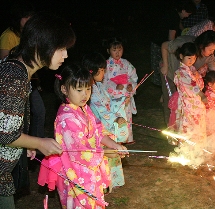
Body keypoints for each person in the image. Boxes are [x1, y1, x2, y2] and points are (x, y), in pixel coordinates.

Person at [0, 12, 74, 208]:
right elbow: (5, 134)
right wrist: (39, 142)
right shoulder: (14, 77)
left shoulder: (16, 70)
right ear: (41, 45)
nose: (65, 55)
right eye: (61, 49)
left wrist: (25, 145)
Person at [39, 64, 128, 209]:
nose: (85, 94)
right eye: (79, 90)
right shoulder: (66, 118)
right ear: (64, 89)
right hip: (76, 176)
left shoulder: (84, 109)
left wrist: (113, 145)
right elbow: (79, 151)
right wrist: (106, 153)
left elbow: (98, 131)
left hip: (89, 174)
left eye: (88, 89)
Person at [160, 30, 215, 125]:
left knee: (181, 104)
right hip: (170, 72)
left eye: (214, 50)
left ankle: (181, 127)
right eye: (211, 49)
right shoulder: (185, 44)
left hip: (185, 79)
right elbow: (164, 46)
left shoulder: (208, 58)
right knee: (171, 103)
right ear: (202, 45)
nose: (212, 52)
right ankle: (170, 130)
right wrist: (165, 65)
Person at [82, 52, 126, 190]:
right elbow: (100, 110)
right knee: (106, 154)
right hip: (100, 127)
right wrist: (115, 118)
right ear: (92, 70)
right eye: (101, 70)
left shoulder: (99, 86)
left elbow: (108, 102)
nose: (103, 73)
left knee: (112, 151)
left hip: (105, 125)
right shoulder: (90, 90)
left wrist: (120, 101)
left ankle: (112, 182)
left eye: (104, 70)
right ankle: (106, 184)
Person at [151, 0, 196, 86]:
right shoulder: (174, 18)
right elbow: (171, 38)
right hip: (159, 42)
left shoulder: (174, 12)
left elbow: (179, 24)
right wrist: (174, 49)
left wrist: (183, 30)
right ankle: (160, 83)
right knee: (160, 63)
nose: (187, 16)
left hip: (158, 40)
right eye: (188, 14)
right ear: (183, 10)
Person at [104, 37, 138, 144]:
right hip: (114, 98)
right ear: (108, 51)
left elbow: (133, 77)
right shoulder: (106, 65)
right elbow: (104, 80)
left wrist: (131, 85)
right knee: (116, 117)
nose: (117, 52)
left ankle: (127, 137)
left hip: (125, 95)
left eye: (119, 49)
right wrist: (114, 86)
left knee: (127, 116)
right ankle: (116, 138)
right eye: (114, 50)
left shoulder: (126, 63)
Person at [172, 42, 207, 142]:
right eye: (189, 58)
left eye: (194, 58)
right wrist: (201, 94)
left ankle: (197, 151)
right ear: (181, 56)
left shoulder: (192, 70)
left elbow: (200, 84)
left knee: (197, 126)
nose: (192, 61)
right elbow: (190, 86)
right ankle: (187, 151)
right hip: (188, 103)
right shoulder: (180, 72)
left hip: (196, 103)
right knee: (188, 127)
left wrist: (196, 76)